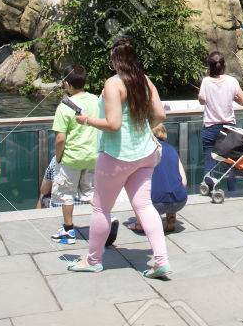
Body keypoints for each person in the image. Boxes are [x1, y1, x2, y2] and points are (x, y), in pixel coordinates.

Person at [69, 38, 169, 277]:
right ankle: (161, 260)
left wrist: (86, 120)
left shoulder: (113, 84)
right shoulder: (145, 81)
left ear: (114, 59)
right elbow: (159, 115)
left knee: (101, 208)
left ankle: (93, 260)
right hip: (146, 153)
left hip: (116, 156)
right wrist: (142, 127)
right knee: (144, 206)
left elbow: (113, 125)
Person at [52, 65, 105, 244]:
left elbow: (60, 138)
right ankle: (107, 218)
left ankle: (68, 231)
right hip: (92, 156)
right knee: (90, 193)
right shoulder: (95, 100)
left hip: (72, 158)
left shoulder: (64, 106)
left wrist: (58, 157)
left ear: (67, 83)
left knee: (67, 194)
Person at [198, 51, 243, 194]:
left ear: (210, 67)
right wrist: (234, 98)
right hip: (228, 127)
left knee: (209, 159)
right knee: (230, 161)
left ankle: (210, 188)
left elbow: (202, 101)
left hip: (210, 126)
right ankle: (232, 190)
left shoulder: (206, 81)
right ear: (224, 65)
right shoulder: (232, 81)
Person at [125, 124, 187, 235]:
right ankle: (171, 214)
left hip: (156, 202)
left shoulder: (144, 150)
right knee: (170, 184)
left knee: (133, 185)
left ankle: (141, 224)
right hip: (180, 200)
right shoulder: (172, 149)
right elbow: (184, 181)